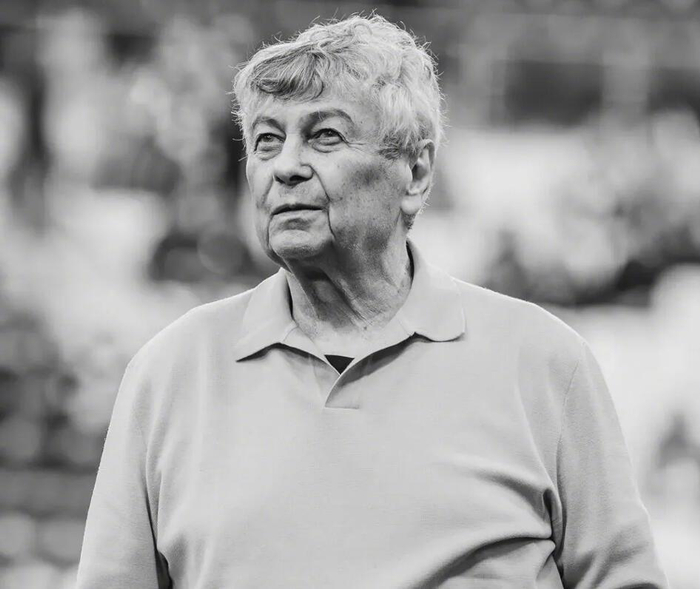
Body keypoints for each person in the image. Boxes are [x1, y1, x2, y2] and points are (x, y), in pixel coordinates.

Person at [76, 15, 668, 589]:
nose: (285, 167)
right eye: (266, 141)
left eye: (325, 136)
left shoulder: (544, 365)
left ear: (415, 172)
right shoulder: (169, 374)